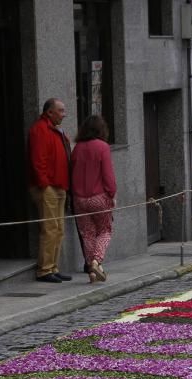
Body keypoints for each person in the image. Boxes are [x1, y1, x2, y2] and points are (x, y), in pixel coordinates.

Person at [27, 98, 73, 283]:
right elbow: (38, 160)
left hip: (59, 185)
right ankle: (45, 269)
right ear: (50, 112)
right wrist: (45, 184)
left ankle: (53, 266)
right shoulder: (40, 130)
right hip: (48, 187)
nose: (64, 114)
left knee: (58, 229)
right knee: (50, 228)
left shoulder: (55, 130)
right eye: (61, 111)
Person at [71, 114, 117, 283]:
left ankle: (92, 270)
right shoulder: (102, 147)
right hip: (98, 196)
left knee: (87, 234)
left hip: (79, 199)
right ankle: (97, 262)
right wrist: (111, 194)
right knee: (105, 231)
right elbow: (108, 175)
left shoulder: (77, 148)